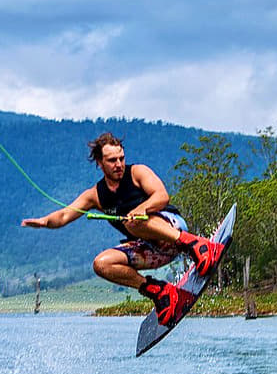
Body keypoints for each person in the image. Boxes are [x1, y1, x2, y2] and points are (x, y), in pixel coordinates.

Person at [20, 132, 225, 324]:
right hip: (151, 249)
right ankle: (159, 291)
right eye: (112, 160)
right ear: (100, 163)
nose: (119, 164)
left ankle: (199, 246)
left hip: (171, 229)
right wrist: (44, 222)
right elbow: (64, 215)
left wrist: (141, 210)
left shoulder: (137, 172)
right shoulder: (96, 196)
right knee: (101, 264)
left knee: (132, 221)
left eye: (121, 158)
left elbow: (162, 196)